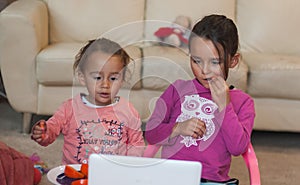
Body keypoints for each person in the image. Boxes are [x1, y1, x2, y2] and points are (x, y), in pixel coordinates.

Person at [145, 14, 255, 184]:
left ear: (233, 61)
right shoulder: (177, 90)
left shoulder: (243, 102)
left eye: (214, 62)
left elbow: (238, 147)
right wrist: (177, 128)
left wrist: (224, 107)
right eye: (196, 61)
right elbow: (151, 134)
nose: (204, 70)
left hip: (212, 182)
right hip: (171, 177)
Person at [31, 38, 145, 164]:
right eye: (97, 77)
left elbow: (136, 143)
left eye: (113, 78)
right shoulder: (70, 108)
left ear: (123, 79)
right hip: (76, 175)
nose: (105, 84)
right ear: (82, 77)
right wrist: (44, 132)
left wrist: (130, 166)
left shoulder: (128, 110)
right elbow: (52, 129)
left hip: (113, 173)